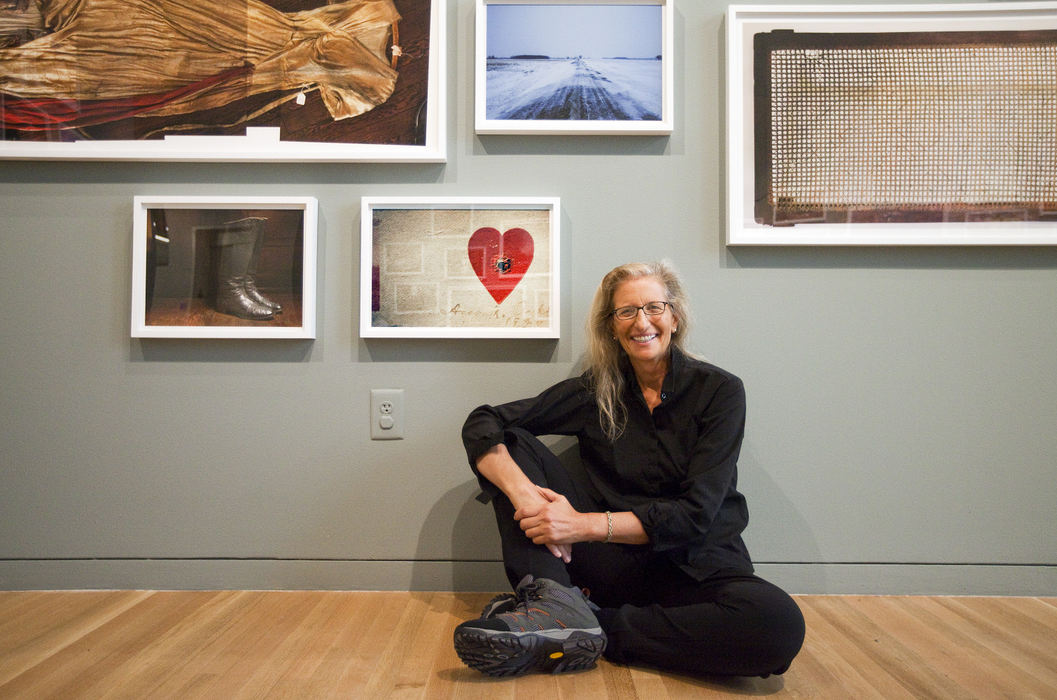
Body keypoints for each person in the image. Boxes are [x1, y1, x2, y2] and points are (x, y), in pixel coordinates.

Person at [454, 261, 805, 678]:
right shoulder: (594, 392)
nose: (642, 322)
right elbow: (485, 421)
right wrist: (526, 496)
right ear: (612, 327)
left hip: (697, 568)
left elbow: (694, 515)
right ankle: (552, 605)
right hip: (613, 567)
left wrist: (579, 525)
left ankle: (589, 627)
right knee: (511, 443)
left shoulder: (720, 391)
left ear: (675, 317)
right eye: (627, 311)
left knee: (777, 625)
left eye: (654, 307)